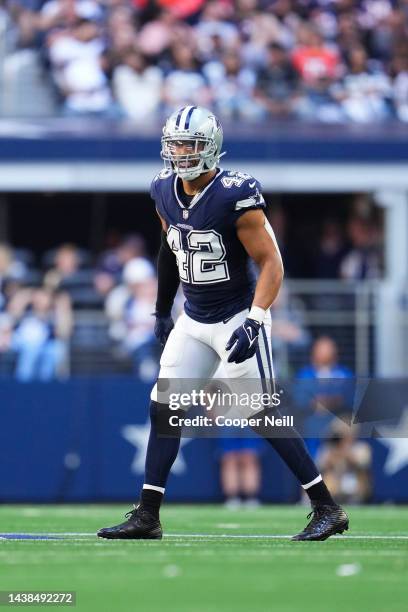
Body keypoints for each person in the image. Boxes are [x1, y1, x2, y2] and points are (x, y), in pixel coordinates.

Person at [98, 106, 349, 542]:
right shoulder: (162, 189)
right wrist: (161, 309)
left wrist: (256, 319)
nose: (179, 153)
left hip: (236, 315)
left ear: (210, 147)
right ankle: (148, 515)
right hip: (193, 318)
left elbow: (271, 261)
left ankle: (327, 507)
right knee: (164, 408)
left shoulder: (235, 192)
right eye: (174, 144)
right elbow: (170, 250)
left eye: (189, 144)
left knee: (261, 413)